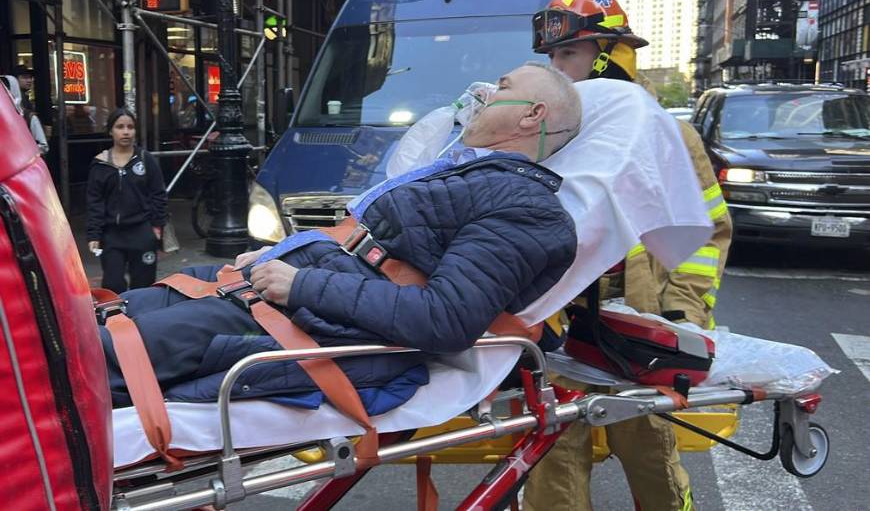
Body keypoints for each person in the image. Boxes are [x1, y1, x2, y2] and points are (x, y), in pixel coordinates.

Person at [99, 63, 581, 408]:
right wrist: (283, 253)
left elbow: (447, 319)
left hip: (303, 312)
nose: (481, 93)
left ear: (531, 115)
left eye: (501, 86)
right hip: (274, 284)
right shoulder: (468, 175)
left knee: (103, 356)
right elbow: (364, 242)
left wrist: (300, 283)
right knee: (110, 311)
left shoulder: (528, 209)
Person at [523, 0, 733, 511]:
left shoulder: (667, 135)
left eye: (567, 53)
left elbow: (707, 232)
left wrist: (682, 312)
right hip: (559, 323)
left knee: (650, 452)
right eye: (551, 56)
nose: (556, 66)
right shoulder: (546, 134)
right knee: (554, 456)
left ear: (607, 55)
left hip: (639, 326)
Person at [86, 107, 168, 293]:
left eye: (130, 127)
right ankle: (117, 321)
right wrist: (94, 234)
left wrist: (156, 227)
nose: (125, 131)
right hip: (112, 236)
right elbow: (94, 201)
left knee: (144, 286)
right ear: (110, 131)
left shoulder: (146, 160)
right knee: (113, 284)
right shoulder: (100, 163)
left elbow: (159, 195)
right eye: (120, 127)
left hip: (142, 233)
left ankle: (142, 320)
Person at [1, 70, 48, 155]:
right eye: (24, 77)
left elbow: (43, 146)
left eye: (30, 77)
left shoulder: (29, 116)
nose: (29, 80)